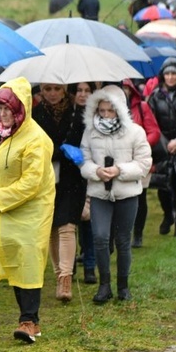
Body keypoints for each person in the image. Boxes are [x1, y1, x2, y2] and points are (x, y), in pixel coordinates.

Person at [0, 77, 55, 343]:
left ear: (22, 109)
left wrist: (1, 197)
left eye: (10, 109)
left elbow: (32, 181)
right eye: (0, 108)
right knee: (11, 254)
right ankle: (29, 318)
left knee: (27, 257)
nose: (4, 114)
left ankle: (29, 320)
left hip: (31, 208)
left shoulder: (36, 139)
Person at [80, 86, 152, 304]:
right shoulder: (90, 131)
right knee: (100, 237)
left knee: (122, 241)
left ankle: (123, 286)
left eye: (110, 111)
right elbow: (84, 161)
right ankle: (104, 285)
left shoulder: (136, 132)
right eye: (101, 110)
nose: (105, 115)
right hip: (100, 193)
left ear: (120, 109)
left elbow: (144, 163)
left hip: (127, 193)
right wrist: (96, 171)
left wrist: (120, 170)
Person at [32, 83, 87, 302]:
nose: (53, 93)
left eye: (57, 88)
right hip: (47, 177)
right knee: (53, 227)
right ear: (41, 91)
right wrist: (56, 150)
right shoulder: (34, 115)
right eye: (48, 89)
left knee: (67, 226)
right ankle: (58, 274)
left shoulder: (78, 112)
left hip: (73, 176)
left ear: (64, 89)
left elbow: (86, 141)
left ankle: (66, 277)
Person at [147, 58, 176, 237]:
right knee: (163, 185)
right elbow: (150, 122)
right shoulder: (155, 96)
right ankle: (167, 215)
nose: (170, 77)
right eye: (167, 74)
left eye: (174, 74)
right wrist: (165, 143)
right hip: (162, 146)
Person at [122, 79, 161, 248]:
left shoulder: (141, 107)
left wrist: (140, 146)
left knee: (140, 197)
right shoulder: (108, 110)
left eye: (125, 88)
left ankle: (138, 234)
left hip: (139, 160)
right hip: (119, 161)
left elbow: (154, 131)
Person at [71, 82, 97, 284]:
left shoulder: (97, 117)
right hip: (70, 173)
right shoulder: (68, 115)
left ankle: (90, 266)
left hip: (90, 171)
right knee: (70, 220)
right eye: (79, 90)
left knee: (89, 220)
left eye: (87, 91)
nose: (83, 94)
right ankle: (69, 266)